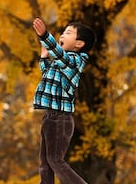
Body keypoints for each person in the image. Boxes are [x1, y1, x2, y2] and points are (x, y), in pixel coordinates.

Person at [32, 17, 96, 184]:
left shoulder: (75, 61)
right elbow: (47, 75)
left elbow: (60, 56)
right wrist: (44, 58)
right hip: (50, 116)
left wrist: (45, 35)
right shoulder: (60, 63)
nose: (62, 34)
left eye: (68, 33)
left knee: (55, 160)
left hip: (60, 119)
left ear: (79, 44)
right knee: (45, 163)